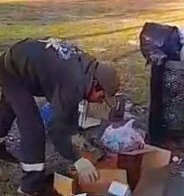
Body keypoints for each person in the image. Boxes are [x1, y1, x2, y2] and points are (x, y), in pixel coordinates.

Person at [0, 38, 120, 196]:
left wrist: (79, 145)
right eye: (102, 96)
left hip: (22, 59)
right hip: (12, 70)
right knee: (33, 127)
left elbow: (67, 116)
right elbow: (56, 127)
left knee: (10, 106)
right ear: (96, 84)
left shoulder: (87, 70)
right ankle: (29, 188)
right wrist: (77, 158)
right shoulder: (74, 84)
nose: (100, 100)